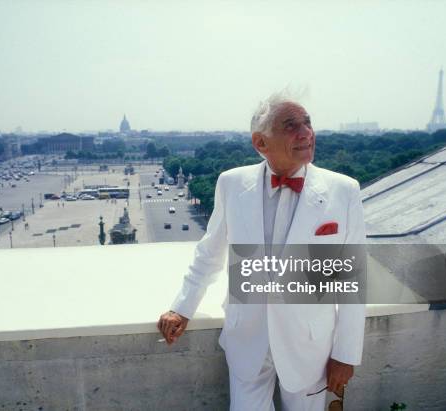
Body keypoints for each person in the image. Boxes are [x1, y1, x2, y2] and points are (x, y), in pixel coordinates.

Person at [157, 93, 366, 411]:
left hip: (310, 345)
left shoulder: (344, 190)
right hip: (247, 338)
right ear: (260, 143)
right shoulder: (231, 184)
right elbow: (210, 253)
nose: (305, 132)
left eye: (307, 122)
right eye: (291, 125)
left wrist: (346, 353)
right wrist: (182, 307)